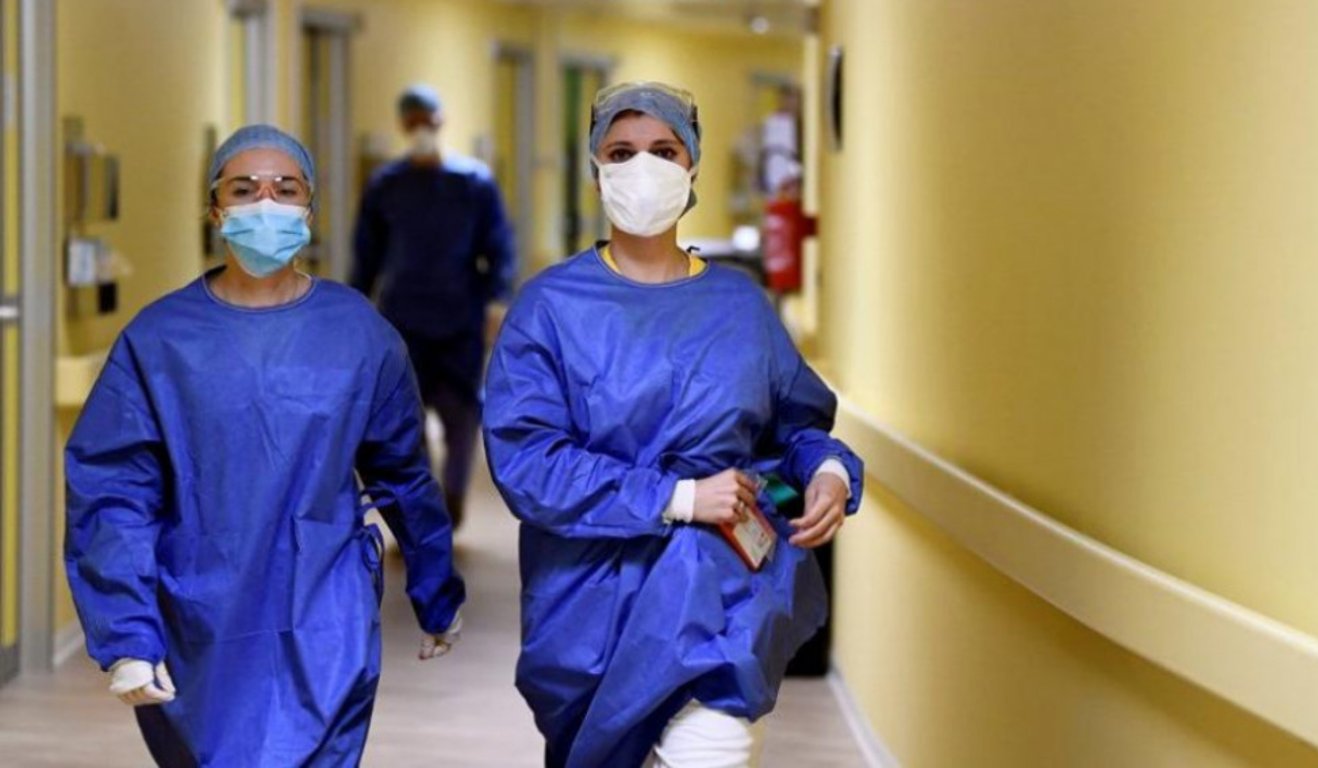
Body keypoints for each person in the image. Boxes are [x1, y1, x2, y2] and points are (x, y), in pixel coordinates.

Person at [483, 82, 864, 768]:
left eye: (663, 151)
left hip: (722, 598)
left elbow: (797, 428)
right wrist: (679, 497)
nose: (643, 168)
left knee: (711, 750)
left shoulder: (739, 306)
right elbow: (528, 462)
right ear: (595, 170)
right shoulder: (550, 308)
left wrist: (830, 471)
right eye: (621, 152)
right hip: (590, 611)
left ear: (691, 167)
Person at [64, 125, 466, 767]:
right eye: (244, 190)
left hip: (325, 608)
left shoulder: (357, 332)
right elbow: (113, 493)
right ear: (215, 210)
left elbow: (403, 473)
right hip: (201, 613)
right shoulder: (161, 338)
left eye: (286, 189)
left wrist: (436, 589)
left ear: (310, 208)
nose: (266, 204)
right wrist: (127, 635)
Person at [350, 84, 517, 530]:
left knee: (462, 416)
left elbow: (500, 248)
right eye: (413, 121)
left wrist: (497, 303)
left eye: (428, 119)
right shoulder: (387, 186)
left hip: (460, 319)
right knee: (408, 421)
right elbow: (365, 257)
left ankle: (454, 498)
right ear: (402, 125)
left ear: (440, 120)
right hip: (403, 320)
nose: (421, 128)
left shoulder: (473, 183)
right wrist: (355, 313)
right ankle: (423, 509)